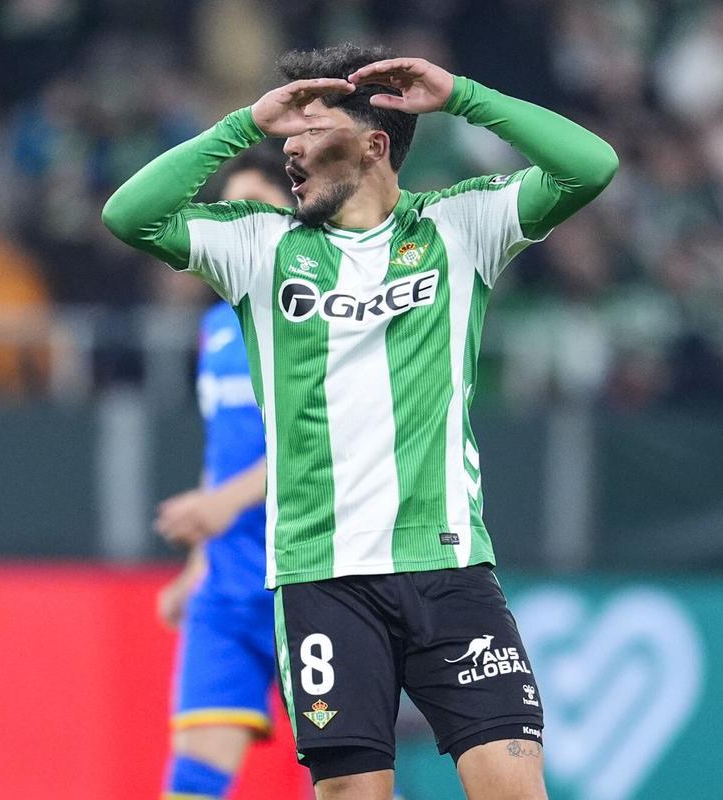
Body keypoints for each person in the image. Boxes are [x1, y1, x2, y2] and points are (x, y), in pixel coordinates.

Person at [104, 43, 618, 800]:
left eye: (312, 131)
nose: (291, 149)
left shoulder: (458, 226)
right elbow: (128, 214)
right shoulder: (260, 246)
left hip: (447, 570)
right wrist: (244, 124)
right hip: (322, 578)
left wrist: (464, 95)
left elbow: (591, 165)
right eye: (288, 136)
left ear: (375, 143)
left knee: (515, 786)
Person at [152, 146, 301, 800]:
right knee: (192, 780)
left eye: (260, 211)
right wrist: (196, 565)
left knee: (350, 780)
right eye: (231, 215)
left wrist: (226, 503)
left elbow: (331, 439)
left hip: (315, 575)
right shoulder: (214, 327)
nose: (246, 229)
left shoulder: (323, 313)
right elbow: (228, 449)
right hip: (229, 582)